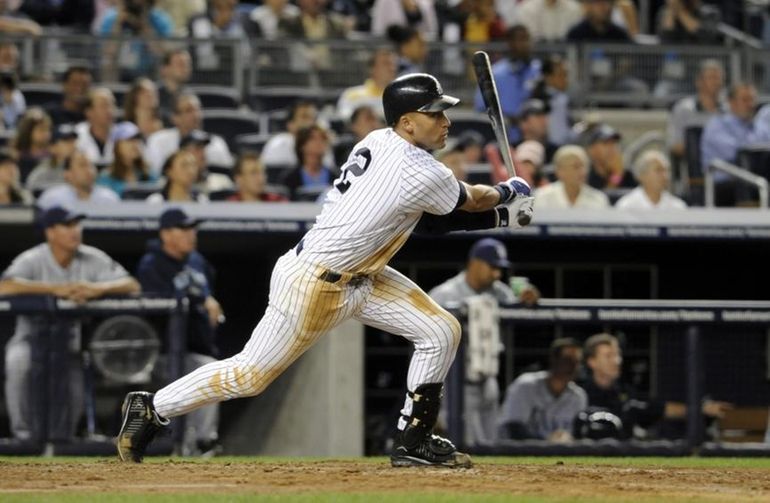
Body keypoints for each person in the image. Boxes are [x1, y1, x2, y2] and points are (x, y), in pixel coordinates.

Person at [116, 72, 535, 467]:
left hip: (365, 277)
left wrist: (503, 219)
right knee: (249, 376)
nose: (445, 122)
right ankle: (152, 408)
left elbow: (428, 220)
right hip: (314, 283)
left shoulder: (379, 139)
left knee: (441, 331)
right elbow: (471, 200)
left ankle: (414, 440)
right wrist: (507, 193)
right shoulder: (417, 169)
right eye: (435, 113)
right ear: (407, 123)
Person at [0, 205, 140, 442]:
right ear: (50, 232)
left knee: (73, 386)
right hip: (30, 338)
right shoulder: (33, 258)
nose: (75, 230)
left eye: (77, 224)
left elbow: (132, 285)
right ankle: (23, 438)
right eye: (67, 225)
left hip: (70, 340)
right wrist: (56, 290)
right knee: (18, 363)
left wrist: (96, 289)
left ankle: (63, 440)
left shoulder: (91, 257)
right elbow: (4, 286)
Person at [429, 237, 539, 446]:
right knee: (465, 442)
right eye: (492, 267)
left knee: (490, 442)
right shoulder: (444, 294)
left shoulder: (498, 292)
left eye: (500, 268)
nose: (497, 274)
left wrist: (529, 296)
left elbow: (523, 304)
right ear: (475, 263)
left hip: (488, 378)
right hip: (455, 379)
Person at [136, 207, 223, 455]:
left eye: (191, 229)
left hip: (194, 346)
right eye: (183, 229)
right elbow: (159, 308)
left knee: (209, 370)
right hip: (163, 352)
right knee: (205, 372)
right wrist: (199, 301)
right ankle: (197, 443)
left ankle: (200, 443)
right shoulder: (152, 264)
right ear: (165, 234)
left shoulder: (197, 261)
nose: (191, 234)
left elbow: (207, 291)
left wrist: (207, 301)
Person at [580, 333, 732, 440]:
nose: (617, 361)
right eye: (609, 355)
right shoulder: (579, 393)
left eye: (617, 354)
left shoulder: (625, 392)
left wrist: (701, 409)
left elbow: (662, 408)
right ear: (591, 361)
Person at [498, 338, 587, 442]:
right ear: (554, 360)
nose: (573, 366)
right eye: (567, 360)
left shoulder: (578, 396)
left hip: (561, 453)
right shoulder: (526, 385)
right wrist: (546, 442)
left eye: (577, 361)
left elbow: (578, 434)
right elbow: (512, 428)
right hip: (520, 452)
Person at [473, 25, 540, 143]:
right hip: (504, 139)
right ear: (510, 43)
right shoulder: (495, 73)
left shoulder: (538, 70)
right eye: (521, 39)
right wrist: (506, 119)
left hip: (534, 138)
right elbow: (481, 108)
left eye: (527, 39)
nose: (525, 44)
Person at [145, 93, 234, 177]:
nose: (195, 115)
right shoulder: (158, 140)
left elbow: (227, 175)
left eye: (197, 109)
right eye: (188, 111)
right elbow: (154, 174)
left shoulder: (216, 143)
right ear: (175, 118)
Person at [700, 83, 757, 206]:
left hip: (755, 180)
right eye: (745, 100)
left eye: (752, 99)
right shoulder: (717, 125)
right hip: (723, 184)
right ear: (731, 102)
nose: (750, 104)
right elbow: (739, 153)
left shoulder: (758, 127)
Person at [98, 0, 174, 81]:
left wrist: (143, 26)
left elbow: (163, 54)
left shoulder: (160, 20)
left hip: (150, 73)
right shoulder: (111, 18)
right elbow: (107, 52)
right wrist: (118, 24)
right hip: (119, 71)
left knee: (164, 65)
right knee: (107, 63)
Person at [667, 59, 725, 160]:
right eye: (712, 78)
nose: (717, 82)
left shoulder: (727, 111)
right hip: (694, 163)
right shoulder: (684, 109)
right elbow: (675, 146)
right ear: (699, 82)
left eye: (719, 78)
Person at [533, 145, 609, 209]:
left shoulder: (599, 199)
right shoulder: (542, 197)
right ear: (560, 171)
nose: (582, 172)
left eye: (584, 166)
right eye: (576, 167)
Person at [37, 150, 121, 208]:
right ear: (67, 174)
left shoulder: (109, 198)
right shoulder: (52, 198)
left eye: (91, 165)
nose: (89, 170)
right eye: (82, 165)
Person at [336, 48, 398, 122]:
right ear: (372, 69)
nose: (392, 68)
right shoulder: (352, 95)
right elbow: (345, 119)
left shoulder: (401, 97)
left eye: (393, 64)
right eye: (386, 63)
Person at [97, 122, 156, 197]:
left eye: (137, 139)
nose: (135, 144)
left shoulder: (149, 174)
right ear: (117, 146)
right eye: (129, 140)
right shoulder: (105, 178)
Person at [281, 124, 337, 201]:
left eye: (323, 139)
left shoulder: (336, 177)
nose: (319, 142)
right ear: (302, 145)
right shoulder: (290, 178)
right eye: (313, 139)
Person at [615, 151, 687, 210]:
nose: (665, 176)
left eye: (666, 171)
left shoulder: (678, 207)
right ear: (642, 175)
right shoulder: (626, 206)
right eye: (658, 170)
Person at [261, 100, 322, 168]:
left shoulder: (322, 145)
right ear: (290, 124)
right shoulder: (277, 145)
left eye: (313, 118)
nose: (310, 123)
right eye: (304, 117)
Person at [530, 55, 572, 146]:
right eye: (561, 75)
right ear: (548, 77)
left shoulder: (561, 97)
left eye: (566, 75)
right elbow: (556, 136)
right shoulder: (538, 101)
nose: (565, 80)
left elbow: (565, 132)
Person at [25, 124, 79, 194]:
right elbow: (31, 191)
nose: (73, 145)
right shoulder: (43, 172)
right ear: (52, 147)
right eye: (67, 142)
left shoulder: (85, 168)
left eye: (74, 141)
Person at [74, 87, 117, 168]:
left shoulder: (124, 136)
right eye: (103, 105)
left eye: (112, 105)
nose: (109, 110)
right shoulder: (75, 136)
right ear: (89, 112)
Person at [583, 124, 635, 190]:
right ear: (591, 149)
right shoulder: (584, 175)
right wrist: (617, 175)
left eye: (614, 143)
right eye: (605, 143)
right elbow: (602, 198)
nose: (611, 148)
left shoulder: (627, 175)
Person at [11, 107, 52, 183]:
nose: (46, 134)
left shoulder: (53, 155)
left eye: (48, 129)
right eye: (41, 129)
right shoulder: (16, 157)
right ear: (28, 131)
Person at [371, 0, 439, 41]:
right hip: (391, 48)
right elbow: (377, 28)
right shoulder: (385, 1)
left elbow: (432, 29)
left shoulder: (424, 3)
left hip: (418, 50)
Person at [566, 0, 632, 43]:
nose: (605, 7)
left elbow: (629, 60)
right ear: (588, 6)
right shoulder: (575, 34)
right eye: (600, 3)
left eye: (608, 2)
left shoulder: (620, 35)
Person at [516, 0, 583, 42]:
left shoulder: (575, 8)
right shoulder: (527, 8)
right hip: (536, 56)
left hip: (567, 57)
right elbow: (530, 41)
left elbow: (575, 42)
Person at [516, 99, 558, 164]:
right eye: (538, 116)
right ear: (524, 123)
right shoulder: (513, 151)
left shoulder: (555, 151)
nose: (544, 120)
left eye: (545, 115)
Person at [156, 49, 192, 119]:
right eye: (180, 64)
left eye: (188, 64)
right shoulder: (153, 95)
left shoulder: (190, 95)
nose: (185, 68)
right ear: (165, 69)